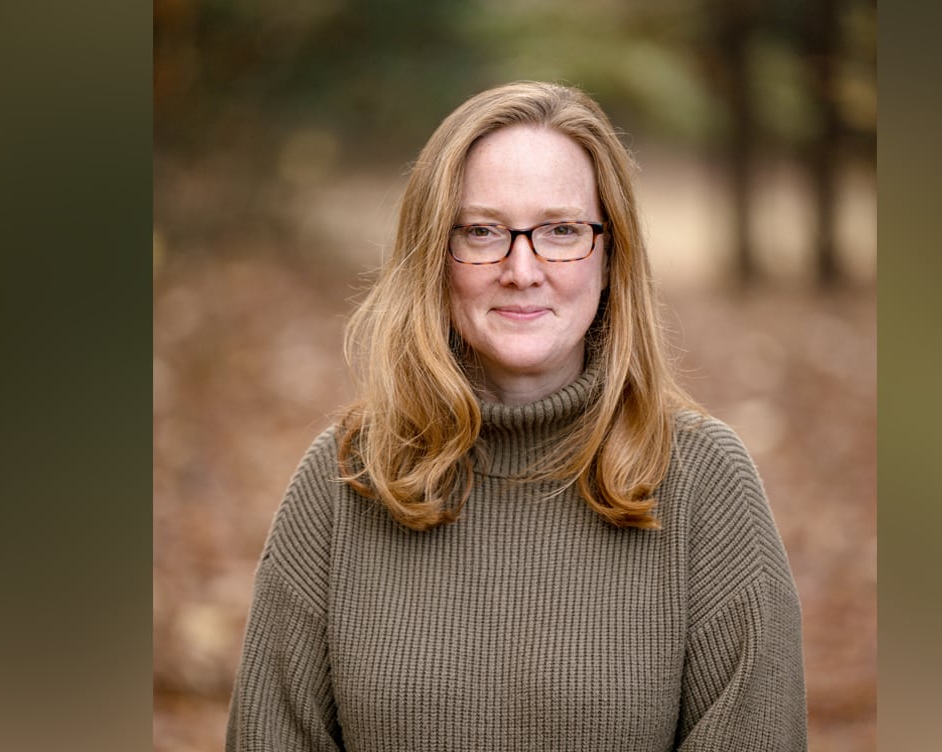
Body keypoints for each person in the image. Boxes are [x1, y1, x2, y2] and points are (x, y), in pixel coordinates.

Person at [226, 81, 807, 751]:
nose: (522, 268)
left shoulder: (705, 483)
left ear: (611, 252)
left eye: (561, 230)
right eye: (482, 232)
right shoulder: (345, 481)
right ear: (433, 256)